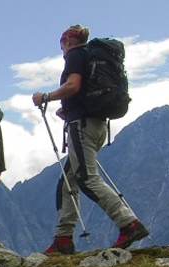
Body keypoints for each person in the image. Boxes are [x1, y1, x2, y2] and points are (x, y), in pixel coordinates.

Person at [32, 24, 149, 254]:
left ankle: (129, 224)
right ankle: (63, 239)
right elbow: (83, 91)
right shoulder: (94, 58)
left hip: (82, 127)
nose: (62, 50)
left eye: (61, 45)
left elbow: (73, 85)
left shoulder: (76, 55)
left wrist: (46, 97)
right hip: (97, 125)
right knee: (68, 182)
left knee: (86, 178)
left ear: (67, 41)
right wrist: (69, 109)